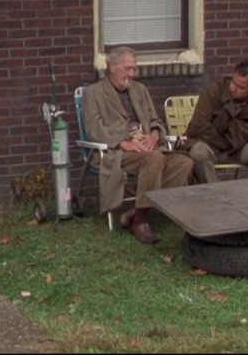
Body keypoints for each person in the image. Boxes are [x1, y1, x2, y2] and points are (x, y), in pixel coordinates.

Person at [82, 46, 192, 244]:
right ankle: (140, 222)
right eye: (128, 69)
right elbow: (94, 129)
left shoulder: (140, 90)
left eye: (134, 69)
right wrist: (122, 143)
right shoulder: (94, 93)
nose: (132, 74)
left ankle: (136, 211)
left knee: (184, 162)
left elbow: (155, 120)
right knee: (154, 159)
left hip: (148, 148)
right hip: (116, 152)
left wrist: (155, 135)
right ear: (112, 67)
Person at [181, 60, 248, 183]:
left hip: (238, 148)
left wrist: (231, 129)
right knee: (198, 152)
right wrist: (226, 140)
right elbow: (199, 126)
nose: (233, 88)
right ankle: (212, 191)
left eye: (240, 87)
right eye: (233, 82)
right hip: (211, 146)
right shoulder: (214, 92)